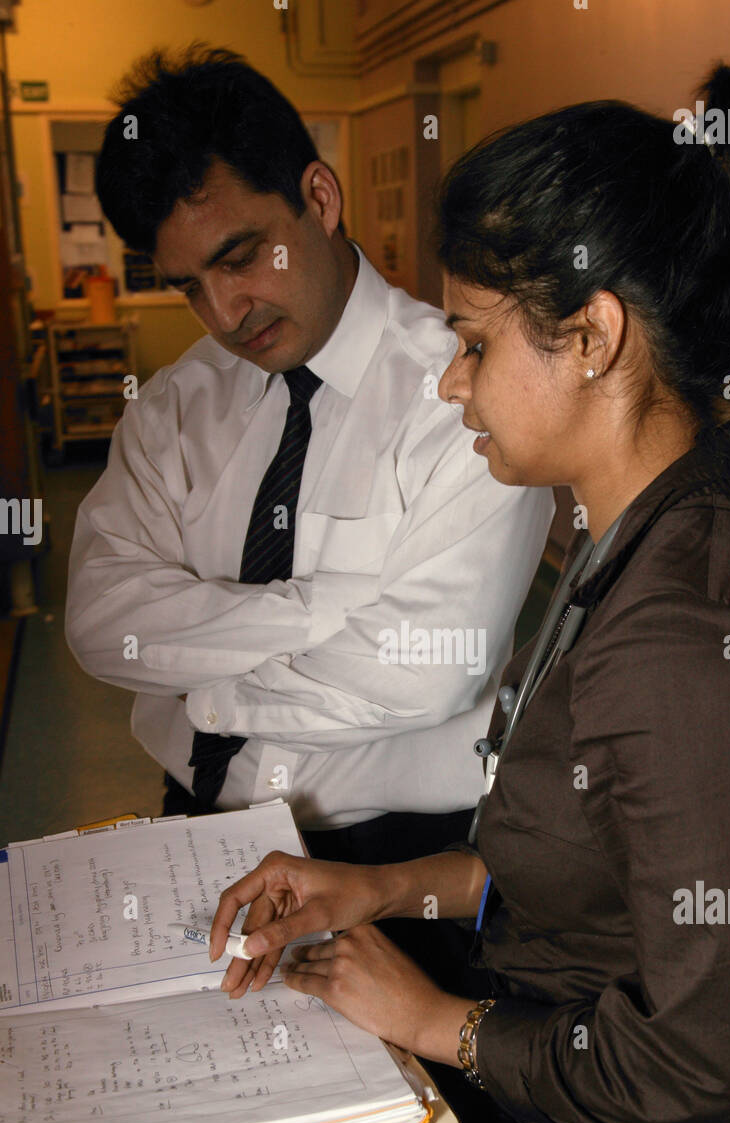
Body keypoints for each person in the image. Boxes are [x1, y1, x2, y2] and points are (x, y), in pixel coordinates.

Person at [208, 62, 730, 1123]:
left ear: (596, 334)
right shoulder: (622, 535)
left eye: (473, 341)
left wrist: (429, 1020)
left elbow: (699, 1058)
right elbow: (585, 850)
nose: (452, 382)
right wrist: (381, 884)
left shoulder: (683, 639)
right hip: (574, 1114)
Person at [64, 45, 552, 995]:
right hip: (193, 833)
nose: (223, 310)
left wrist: (197, 683)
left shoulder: (462, 396)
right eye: (185, 285)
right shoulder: (174, 406)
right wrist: (325, 608)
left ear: (319, 198)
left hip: (393, 871)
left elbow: (425, 670)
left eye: (240, 257)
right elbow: (99, 621)